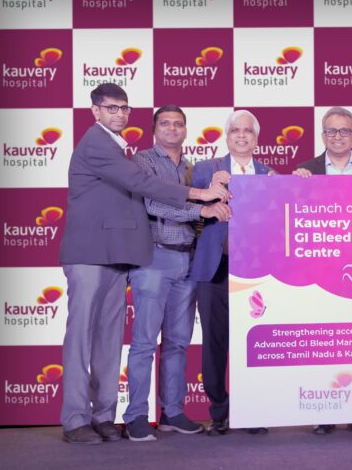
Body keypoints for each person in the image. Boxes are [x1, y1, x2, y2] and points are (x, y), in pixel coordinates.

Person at [59, 83, 229, 445]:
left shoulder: (124, 150)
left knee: (109, 340)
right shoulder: (99, 145)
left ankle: (103, 416)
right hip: (90, 253)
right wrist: (200, 197)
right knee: (83, 338)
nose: (119, 114)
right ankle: (75, 419)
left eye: (123, 108)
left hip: (119, 255)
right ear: (95, 111)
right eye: (111, 108)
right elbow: (143, 188)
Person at [122, 105, 231, 441]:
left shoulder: (191, 168)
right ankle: (135, 415)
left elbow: (205, 212)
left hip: (188, 260)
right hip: (154, 258)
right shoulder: (143, 161)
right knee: (144, 342)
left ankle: (172, 411)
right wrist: (202, 208)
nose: (172, 129)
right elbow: (154, 204)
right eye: (166, 123)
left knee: (178, 342)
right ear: (154, 129)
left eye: (178, 124)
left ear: (186, 130)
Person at [293, 106, 352, 434]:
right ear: (322, 135)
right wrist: (295, 186)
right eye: (331, 131)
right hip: (323, 270)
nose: (337, 137)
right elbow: (296, 216)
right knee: (324, 339)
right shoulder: (306, 169)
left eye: (344, 130)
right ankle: (325, 412)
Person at [191, 110, 273, 436]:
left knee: (253, 342)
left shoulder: (268, 174)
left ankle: (252, 410)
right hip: (215, 268)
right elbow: (187, 211)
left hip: (256, 272)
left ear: (256, 139)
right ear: (226, 137)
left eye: (247, 131)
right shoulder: (205, 170)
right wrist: (209, 191)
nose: (241, 135)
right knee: (214, 341)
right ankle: (219, 412)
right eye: (235, 130)